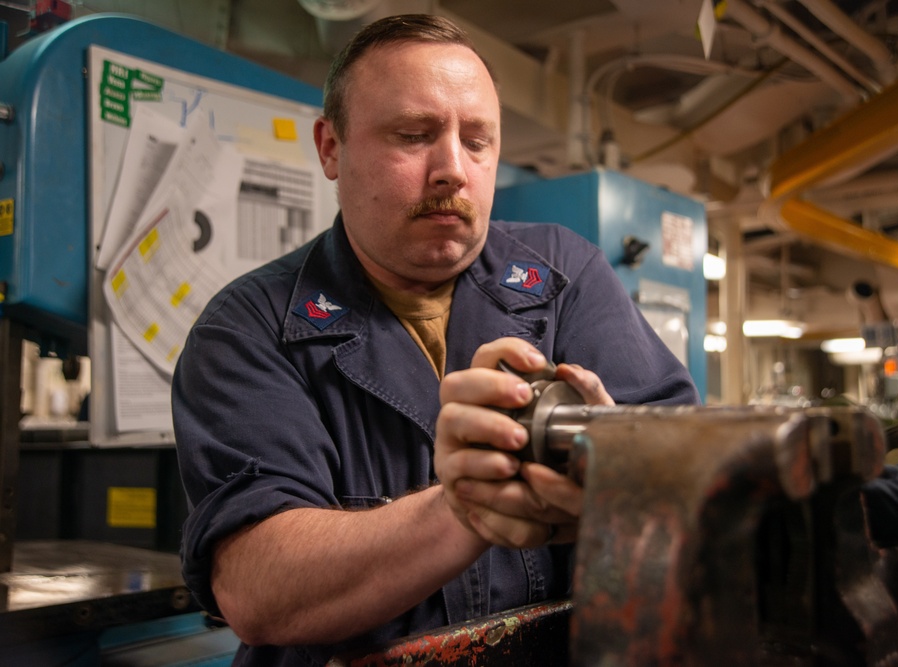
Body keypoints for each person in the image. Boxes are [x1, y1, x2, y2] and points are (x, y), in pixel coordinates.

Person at [172, 13, 698, 666]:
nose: (452, 168)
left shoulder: (565, 277)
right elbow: (258, 589)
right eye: (413, 135)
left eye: (477, 141)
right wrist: (467, 506)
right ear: (330, 148)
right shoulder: (249, 328)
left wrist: (620, 468)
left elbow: (693, 484)